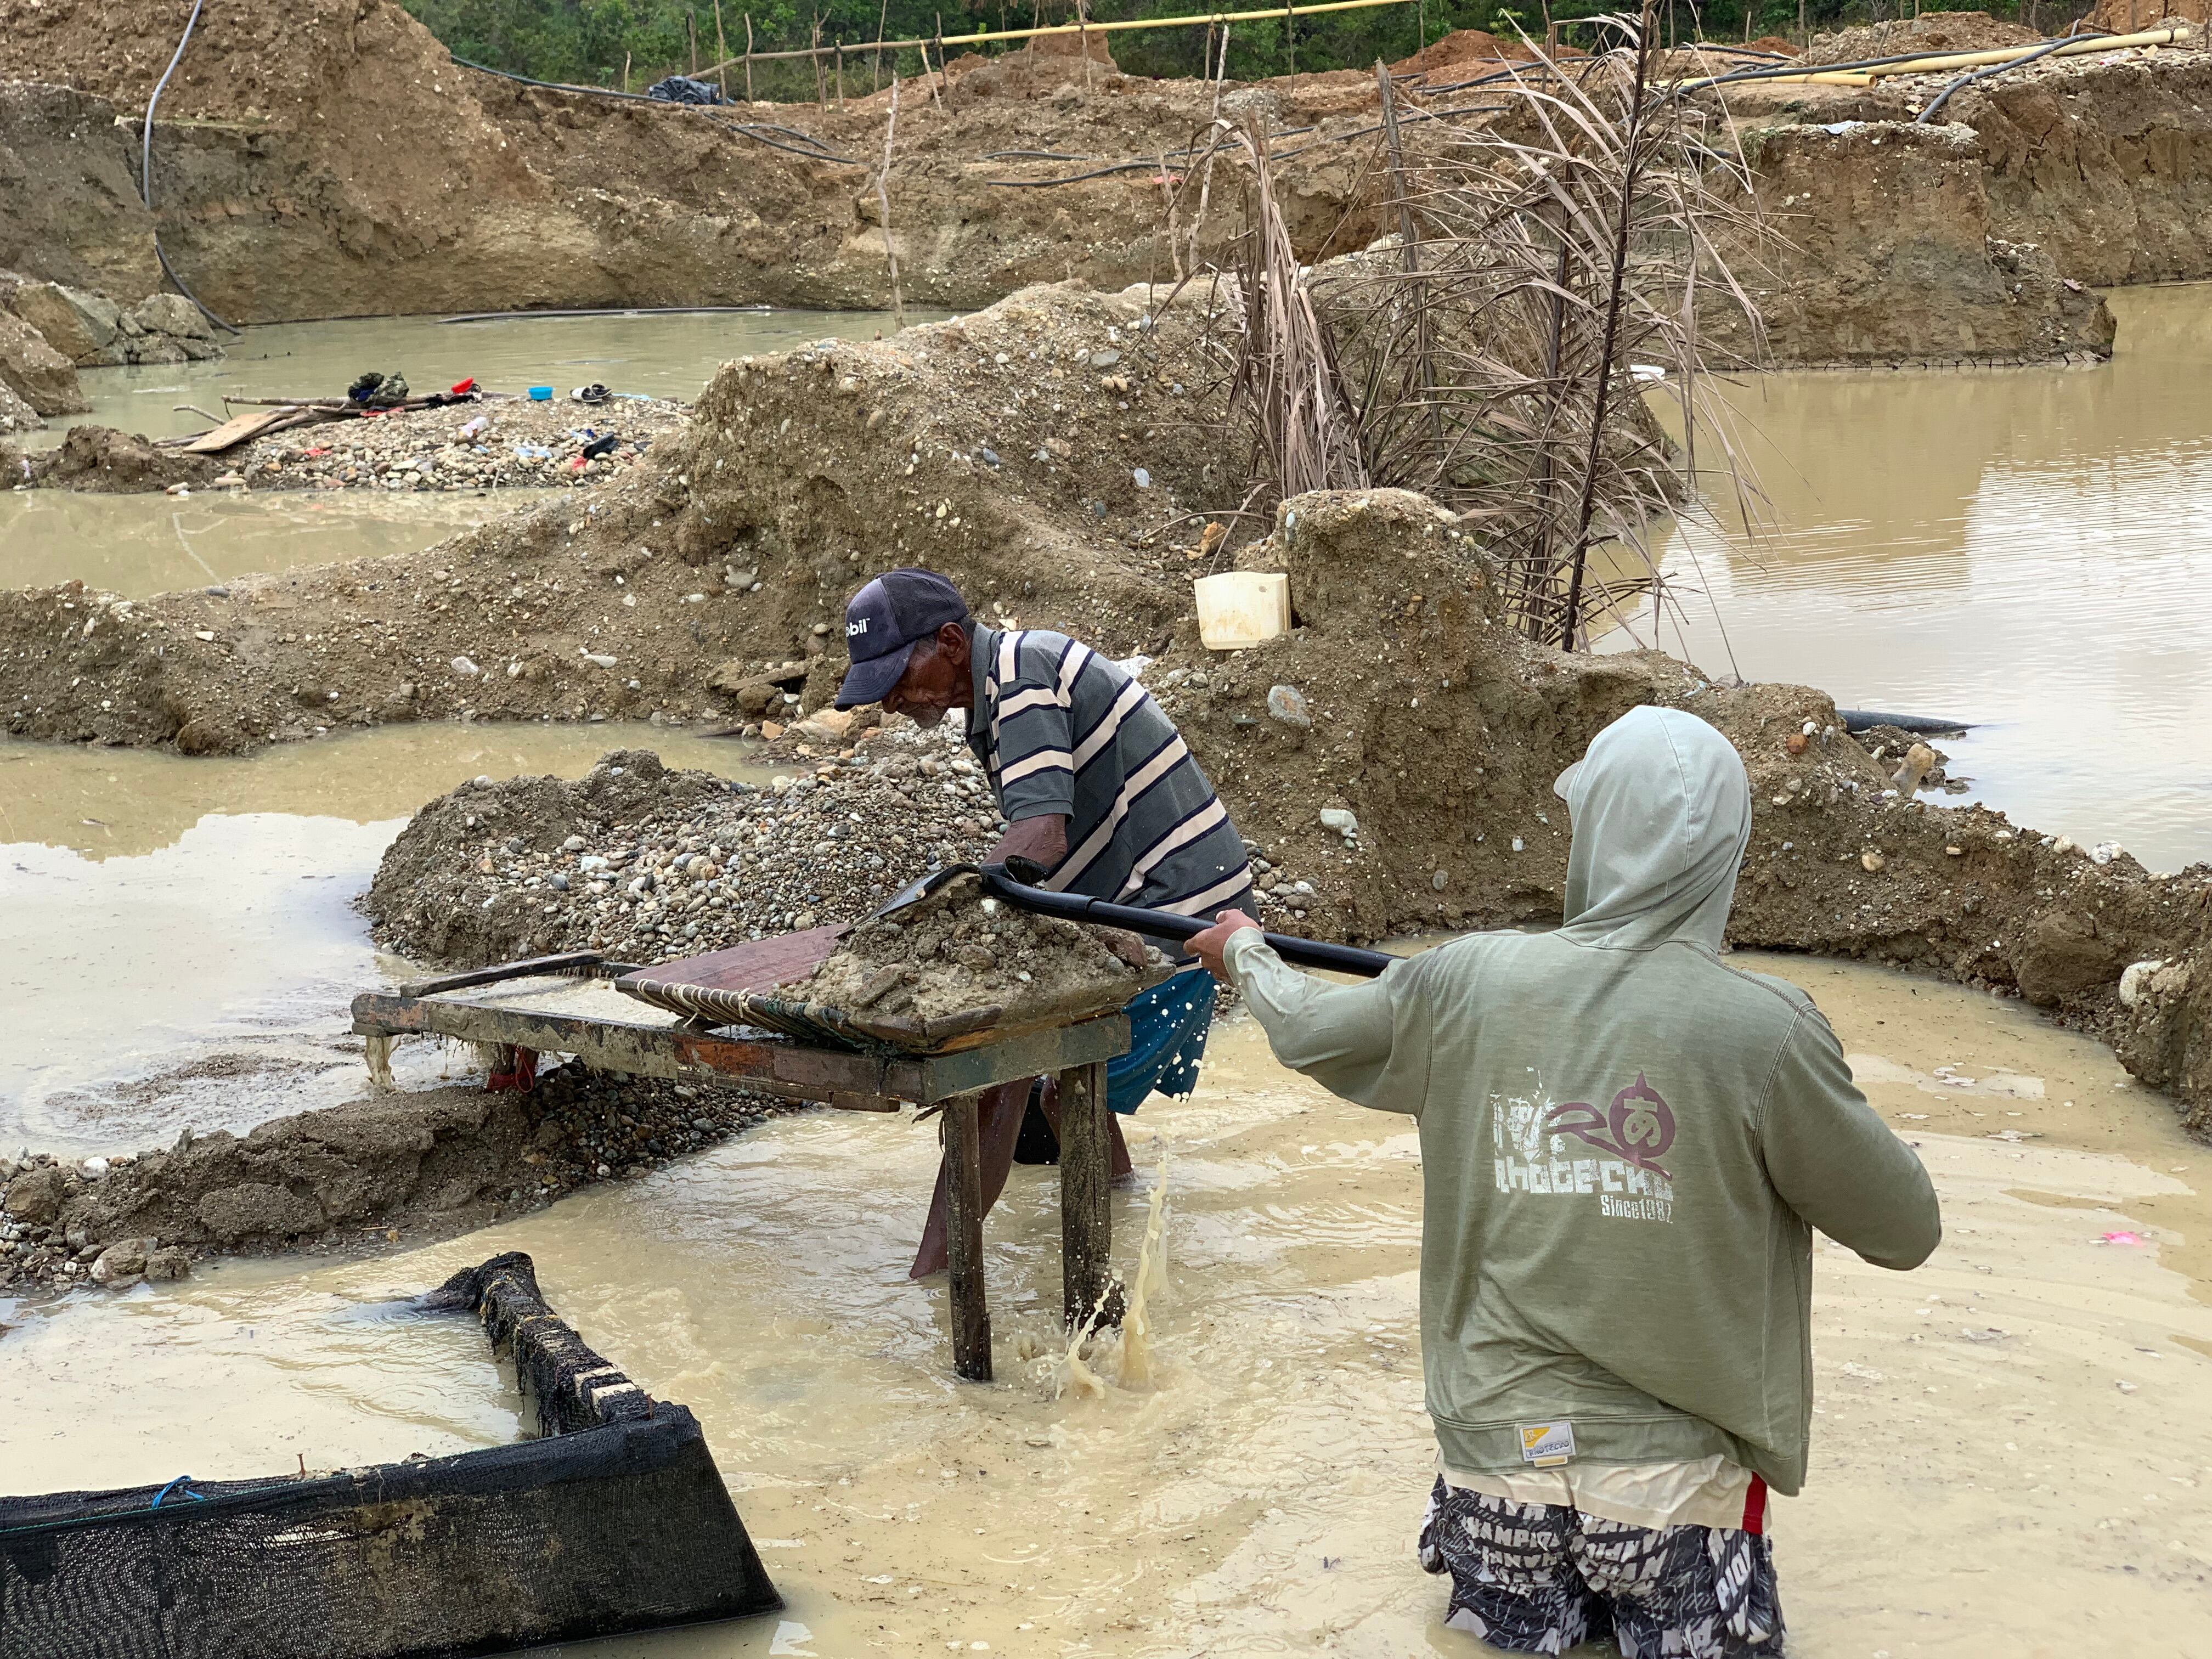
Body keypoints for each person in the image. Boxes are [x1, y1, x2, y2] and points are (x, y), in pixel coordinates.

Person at [1188, 705, 1941, 1657]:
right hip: (1672, 1503)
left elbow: (1303, 1028)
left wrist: (1245, 951)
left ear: (1591, 830)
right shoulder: (1768, 1030)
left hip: (1497, 1480)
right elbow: (1907, 1231)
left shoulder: (1461, 980)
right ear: (1728, 852)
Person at [833, 568, 1254, 1280]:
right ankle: (1121, 1200)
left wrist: (946, 907)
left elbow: (1040, 839)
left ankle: (931, 1280)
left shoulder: (1023, 677)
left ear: (949, 641)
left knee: (1019, 1080)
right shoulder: (1004, 687)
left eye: (899, 677)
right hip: (1140, 906)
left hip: (1181, 915)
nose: (895, 699)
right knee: (1045, 1081)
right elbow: (1042, 851)